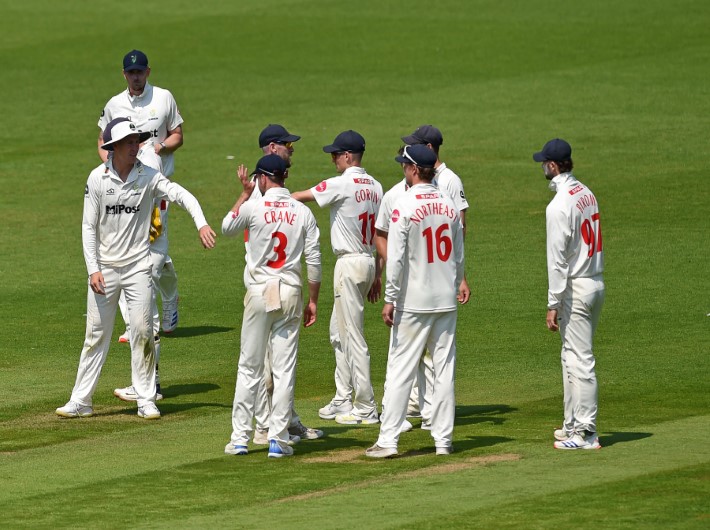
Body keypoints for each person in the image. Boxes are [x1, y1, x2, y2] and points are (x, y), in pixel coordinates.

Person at [56, 118, 215, 420]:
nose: (136, 146)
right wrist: (93, 269)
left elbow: (182, 195)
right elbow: (88, 227)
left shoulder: (148, 176)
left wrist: (202, 222)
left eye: (137, 140)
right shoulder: (97, 179)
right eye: (130, 141)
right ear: (113, 147)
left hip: (138, 268)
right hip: (105, 269)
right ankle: (81, 401)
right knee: (96, 334)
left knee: (142, 331)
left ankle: (146, 399)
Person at [366, 144, 465, 458]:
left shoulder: (405, 203)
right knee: (444, 370)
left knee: (400, 370)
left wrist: (390, 298)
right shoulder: (449, 203)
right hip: (445, 299)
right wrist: (457, 281)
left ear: (412, 169)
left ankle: (388, 441)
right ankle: (443, 441)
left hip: (415, 300)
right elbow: (459, 253)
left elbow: (395, 258)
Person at [98, 49, 185, 402]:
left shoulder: (163, 98)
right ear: (124, 74)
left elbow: (179, 134)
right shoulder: (114, 104)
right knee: (149, 269)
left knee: (144, 276)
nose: (136, 77)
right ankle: (170, 296)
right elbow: (103, 144)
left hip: (154, 196)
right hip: (125, 197)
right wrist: (113, 170)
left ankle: (151, 383)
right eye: (130, 73)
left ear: (148, 71)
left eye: (140, 72)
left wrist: (158, 147)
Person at [223, 154, 321, 458]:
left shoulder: (254, 205)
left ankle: (240, 438)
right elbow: (314, 261)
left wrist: (243, 193)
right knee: (284, 368)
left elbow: (227, 226)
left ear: (263, 178)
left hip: (259, 290)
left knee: (249, 366)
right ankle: (278, 439)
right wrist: (314, 300)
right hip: (290, 291)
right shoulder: (302, 211)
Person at [292, 130, 383, 425]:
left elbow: (299, 197)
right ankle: (343, 396)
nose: (333, 159)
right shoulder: (377, 187)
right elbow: (382, 234)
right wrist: (378, 275)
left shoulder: (342, 184)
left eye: (335, 155)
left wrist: (273, 198)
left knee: (353, 336)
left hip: (349, 264)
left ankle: (366, 405)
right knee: (337, 332)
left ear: (347, 156)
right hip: (368, 261)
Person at [248, 124, 324, 443]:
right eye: (287, 145)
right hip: (270, 283)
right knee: (272, 362)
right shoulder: (259, 190)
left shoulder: (264, 189)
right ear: (271, 148)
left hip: (269, 284)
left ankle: (286, 420)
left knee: (276, 360)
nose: (292, 149)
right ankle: (267, 426)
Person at [396, 125, 471, 425]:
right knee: (425, 352)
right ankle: (421, 403)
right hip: (428, 274)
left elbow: (459, 228)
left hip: (436, 276)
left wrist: (460, 277)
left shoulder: (449, 181)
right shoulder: (422, 180)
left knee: (432, 353)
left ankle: (433, 413)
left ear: (428, 147)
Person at [533, 138, 605, 450]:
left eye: (543, 162)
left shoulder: (558, 206)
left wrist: (553, 303)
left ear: (552, 165)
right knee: (570, 356)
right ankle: (572, 424)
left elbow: (557, 260)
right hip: (594, 280)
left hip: (576, 286)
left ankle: (587, 433)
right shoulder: (585, 192)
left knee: (580, 359)